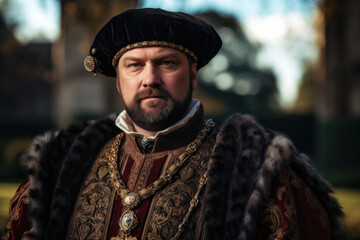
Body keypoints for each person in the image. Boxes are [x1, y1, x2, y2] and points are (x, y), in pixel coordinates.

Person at [3, 8, 345, 240]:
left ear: (193, 75)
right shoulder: (61, 168)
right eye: (134, 66)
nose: (150, 78)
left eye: (167, 63)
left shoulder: (262, 173)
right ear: (118, 82)